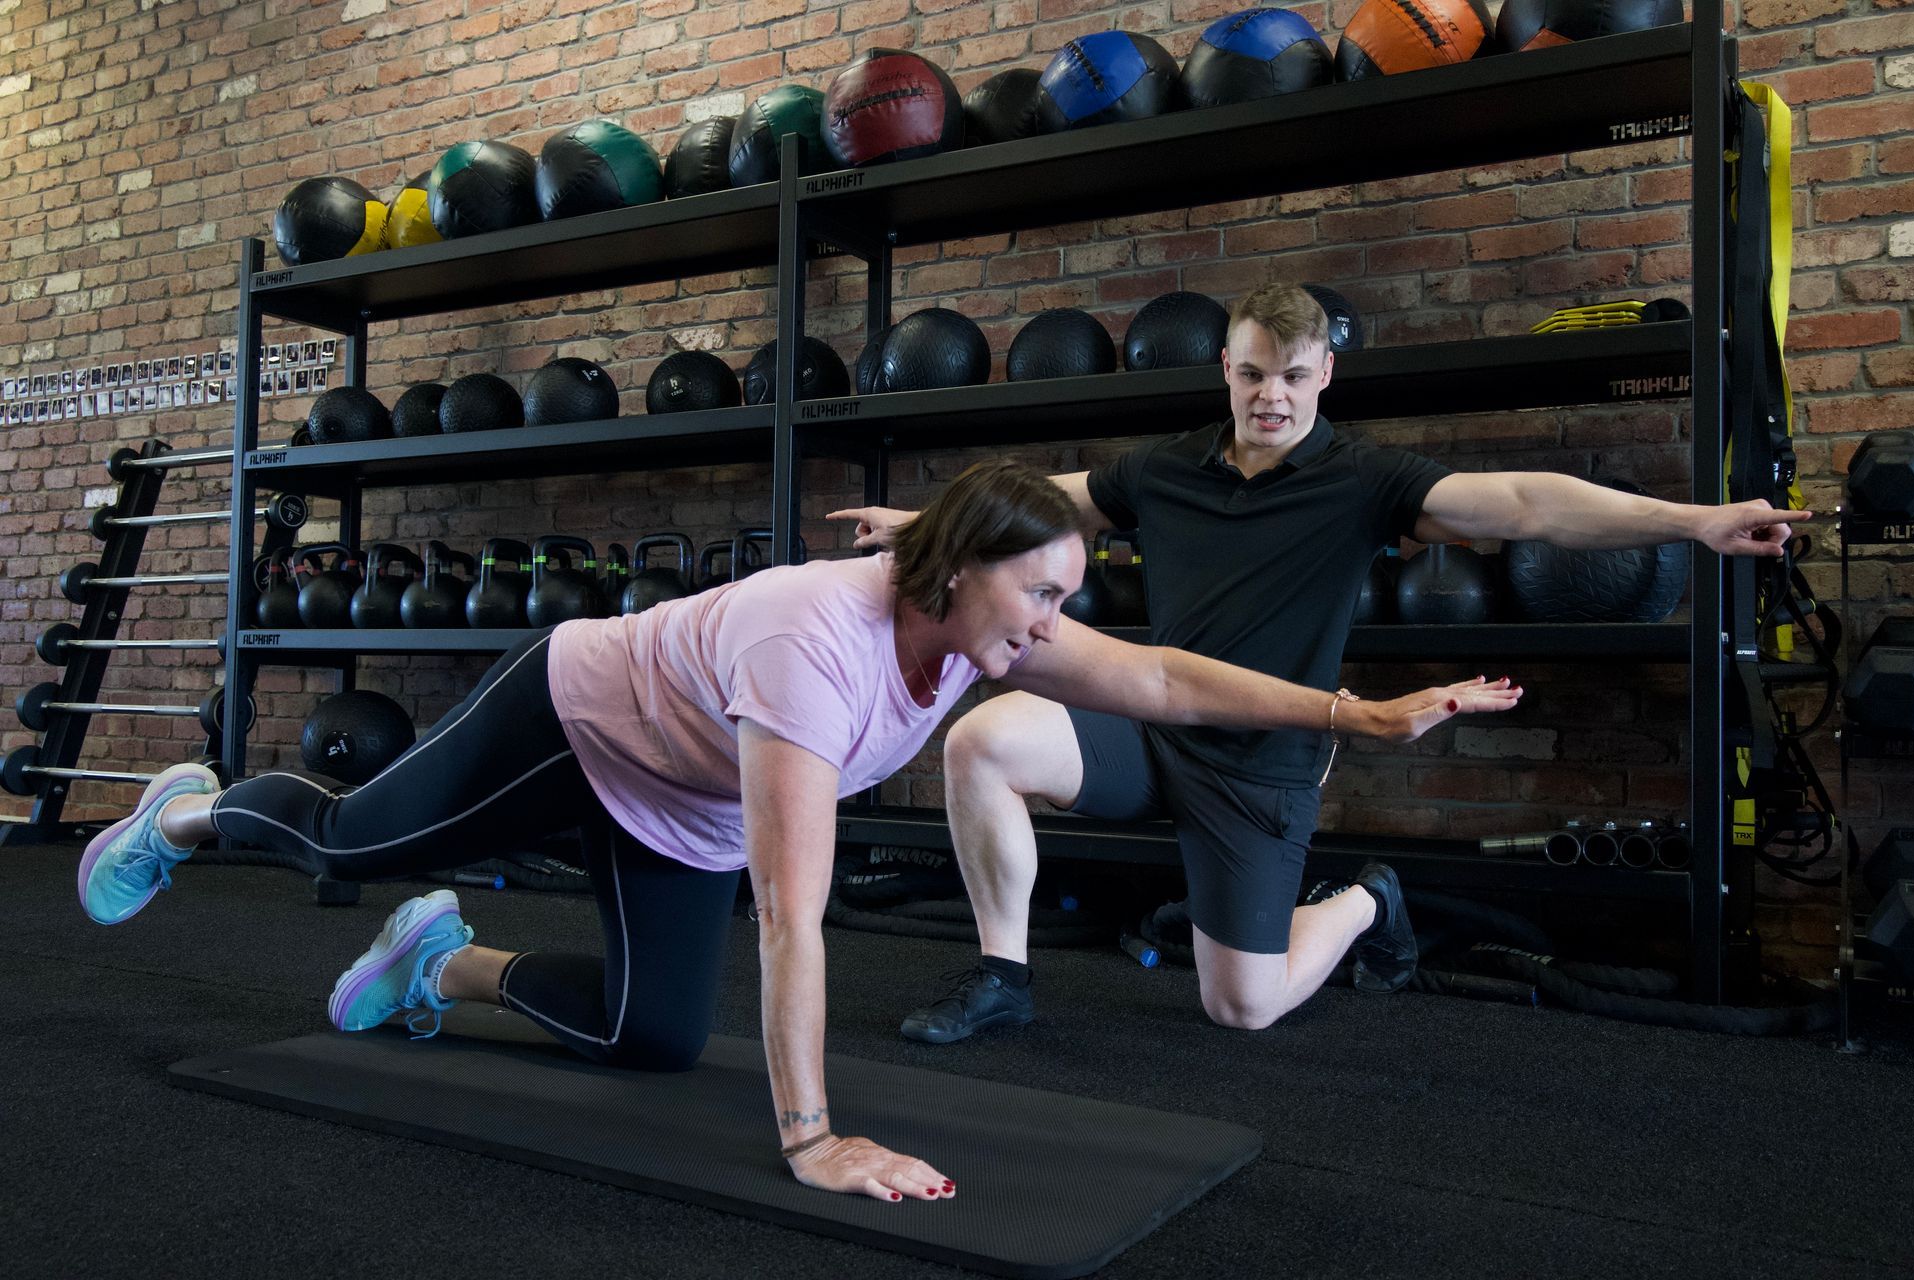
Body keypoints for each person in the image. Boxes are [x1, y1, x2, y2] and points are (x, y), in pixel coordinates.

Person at [77, 459, 1519, 1202]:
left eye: (1065, 597)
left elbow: (1158, 678)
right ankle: (194, 812)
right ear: (954, 573)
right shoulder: (809, 648)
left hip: (684, 793)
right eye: (1041, 595)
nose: (1056, 624)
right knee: (343, 843)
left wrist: (1356, 717)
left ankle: (436, 964)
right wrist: (815, 1135)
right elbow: (792, 912)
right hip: (576, 721)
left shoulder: (986, 636)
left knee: (646, 1039)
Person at [831, 283, 1811, 1045]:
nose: (1272, 396)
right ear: (1224, 365)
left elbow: (1524, 503)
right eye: (1254, 373)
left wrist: (1698, 520)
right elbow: (1054, 500)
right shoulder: (1166, 467)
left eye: (1294, 377)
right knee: (984, 741)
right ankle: (1002, 976)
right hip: (1147, 721)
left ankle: (1363, 902)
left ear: (1325, 375)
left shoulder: (1365, 480)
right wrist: (920, 523)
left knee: (1243, 1007)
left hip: (1262, 757)